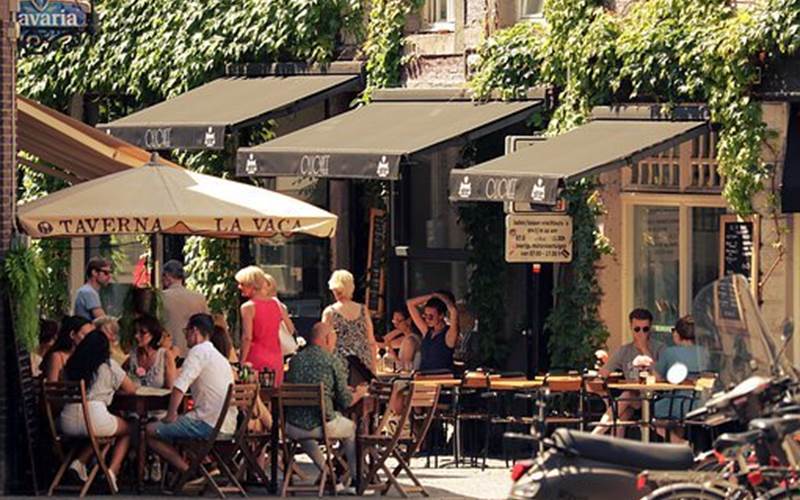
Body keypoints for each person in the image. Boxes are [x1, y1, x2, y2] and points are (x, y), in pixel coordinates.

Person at [145, 313, 237, 475]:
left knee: (149, 431)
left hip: (207, 424)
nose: (185, 336)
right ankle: (203, 466)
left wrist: (171, 414)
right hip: (228, 424)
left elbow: (179, 386)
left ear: (194, 331)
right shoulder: (219, 357)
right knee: (181, 423)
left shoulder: (198, 352)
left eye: (186, 331)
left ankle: (189, 471)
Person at [284, 322, 367, 489]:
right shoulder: (331, 361)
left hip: (291, 427)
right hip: (321, 424)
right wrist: (360, 392)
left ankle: (330, 475)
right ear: (328, 339)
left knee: (305, 435)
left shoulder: (294, 361)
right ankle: (357, 480)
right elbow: (346, 401)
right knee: (351, 429)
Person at [59, 330, 137, 491]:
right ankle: (112, 471)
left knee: (99, 434)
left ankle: (79, 462)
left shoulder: (71, 364)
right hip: (94, 417)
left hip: (66, 420)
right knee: (129, 428)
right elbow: (131, 389)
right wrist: (112, 390)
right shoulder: (108, 365)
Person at [593, 308, 664, 436]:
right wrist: (603, 363)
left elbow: (659, 376)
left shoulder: (659, 348)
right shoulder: (624, 350)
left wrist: (644, 349)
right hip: (634, 397)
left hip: (656, 397)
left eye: (645, 329)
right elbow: (604, 372)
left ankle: (594, 435)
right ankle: (617, 452)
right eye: (637, 329)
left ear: (650, 329)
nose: (641, 333)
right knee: (621, 416)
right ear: (631, 327)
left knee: (626, 398)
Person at [236, 266, 293, 386]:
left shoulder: (248, 307)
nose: (239, 287)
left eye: (242, 284)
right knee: (272, 396)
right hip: (276, 358)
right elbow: (291, 329)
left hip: (255, 357)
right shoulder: (277, 305)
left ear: (251, 285)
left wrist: (241, 361)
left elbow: (247, 337)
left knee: (253, 398)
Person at [654, 315, 710, 436]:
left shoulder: (670, 352)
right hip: (701, 402)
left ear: (677, 334)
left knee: (651, 414)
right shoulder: (705, 352)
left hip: (678, 402)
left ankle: (678, 443)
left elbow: (657, 378)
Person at [322, 269, 378, 374]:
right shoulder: (363, 309)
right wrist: (373, 368)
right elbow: (371, 341)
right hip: (362, 362)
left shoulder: (329, 312)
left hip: (340, 362)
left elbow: (325, 342)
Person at [161, 260, 208, 356]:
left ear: (167, 276)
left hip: (169, 351)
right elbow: (207, 326)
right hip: (195, 350)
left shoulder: (161, 298)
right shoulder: (199, 298)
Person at [407, 292, 459, 372]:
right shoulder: (427, 332)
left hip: (442, 378)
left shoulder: (448, 334)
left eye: (431, 316)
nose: (427, 319)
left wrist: (442, 298)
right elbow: (410, 303)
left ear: (441, 315)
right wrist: (432, 296)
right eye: (425, 316)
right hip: (423, 378)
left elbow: (453, 311)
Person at [126, 315, 177, 389]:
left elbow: (170, 388)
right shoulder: (132, 356)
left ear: (153, 334)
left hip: (158, 400)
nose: (136, 336)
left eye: (142, 332)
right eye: (135, 332)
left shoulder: (165, 355)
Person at [41, 316, 93, 382]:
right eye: (85, 335)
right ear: (72, 334)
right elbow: (51, 386)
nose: (88, 339)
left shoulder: (85, 356)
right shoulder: (57, 357)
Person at [381, 307, 421, 372]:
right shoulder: (406, 338)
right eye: (394, 321)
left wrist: (392, 352)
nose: (396, 324)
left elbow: (405, 368)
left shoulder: (410, 340)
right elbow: (386, 339)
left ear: (408, 320)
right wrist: (399, 329)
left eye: (399, 321)